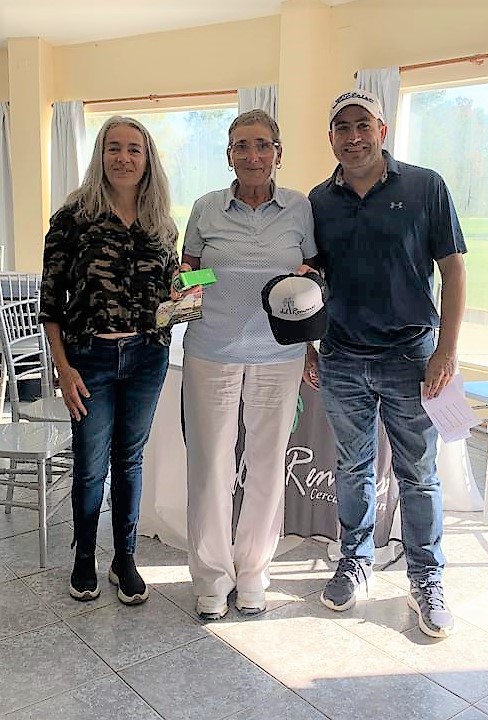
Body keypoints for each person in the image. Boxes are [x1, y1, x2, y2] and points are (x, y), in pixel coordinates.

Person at [306, 89, 466, 638]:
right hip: (342, 357)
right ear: (330, 138)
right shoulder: (318, 200)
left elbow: (454, 270)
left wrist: (446, 350)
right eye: (342, 127)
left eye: (362, 125)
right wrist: (308, 346)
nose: (353, 137)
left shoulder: (425, 186)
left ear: (382, 129)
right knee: (353, 467)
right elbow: (311, 281)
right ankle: (355, 560)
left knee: (418, 475)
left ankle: (427, 577)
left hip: (410, 357)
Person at [181, 109, 317, 621]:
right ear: (229, 155)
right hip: (211, 351)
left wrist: (309, 337)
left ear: (278, 154)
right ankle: (212, 579)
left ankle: (254, 573)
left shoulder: (299, 208)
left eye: (262, 145)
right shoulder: (206, 208)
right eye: (241, 145)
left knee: (266, 465)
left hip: (279, 355)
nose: (252, 155)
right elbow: (191, 272)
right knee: (210, 466)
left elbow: (310, 272)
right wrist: (191, 283)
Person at [39, 116, 180, 605]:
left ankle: (125, 557)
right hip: (89, 358)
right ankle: (84, 558)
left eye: (134, 149)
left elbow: (170, 292)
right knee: (90, 465)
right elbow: (50, 303)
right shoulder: (73, 217)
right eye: (114, 148)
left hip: (147, 357)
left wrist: (186, 293)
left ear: (147, 159)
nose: (124, 157)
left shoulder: (161, 222)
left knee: (130, 461)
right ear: (100, 155)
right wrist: (63, 368)